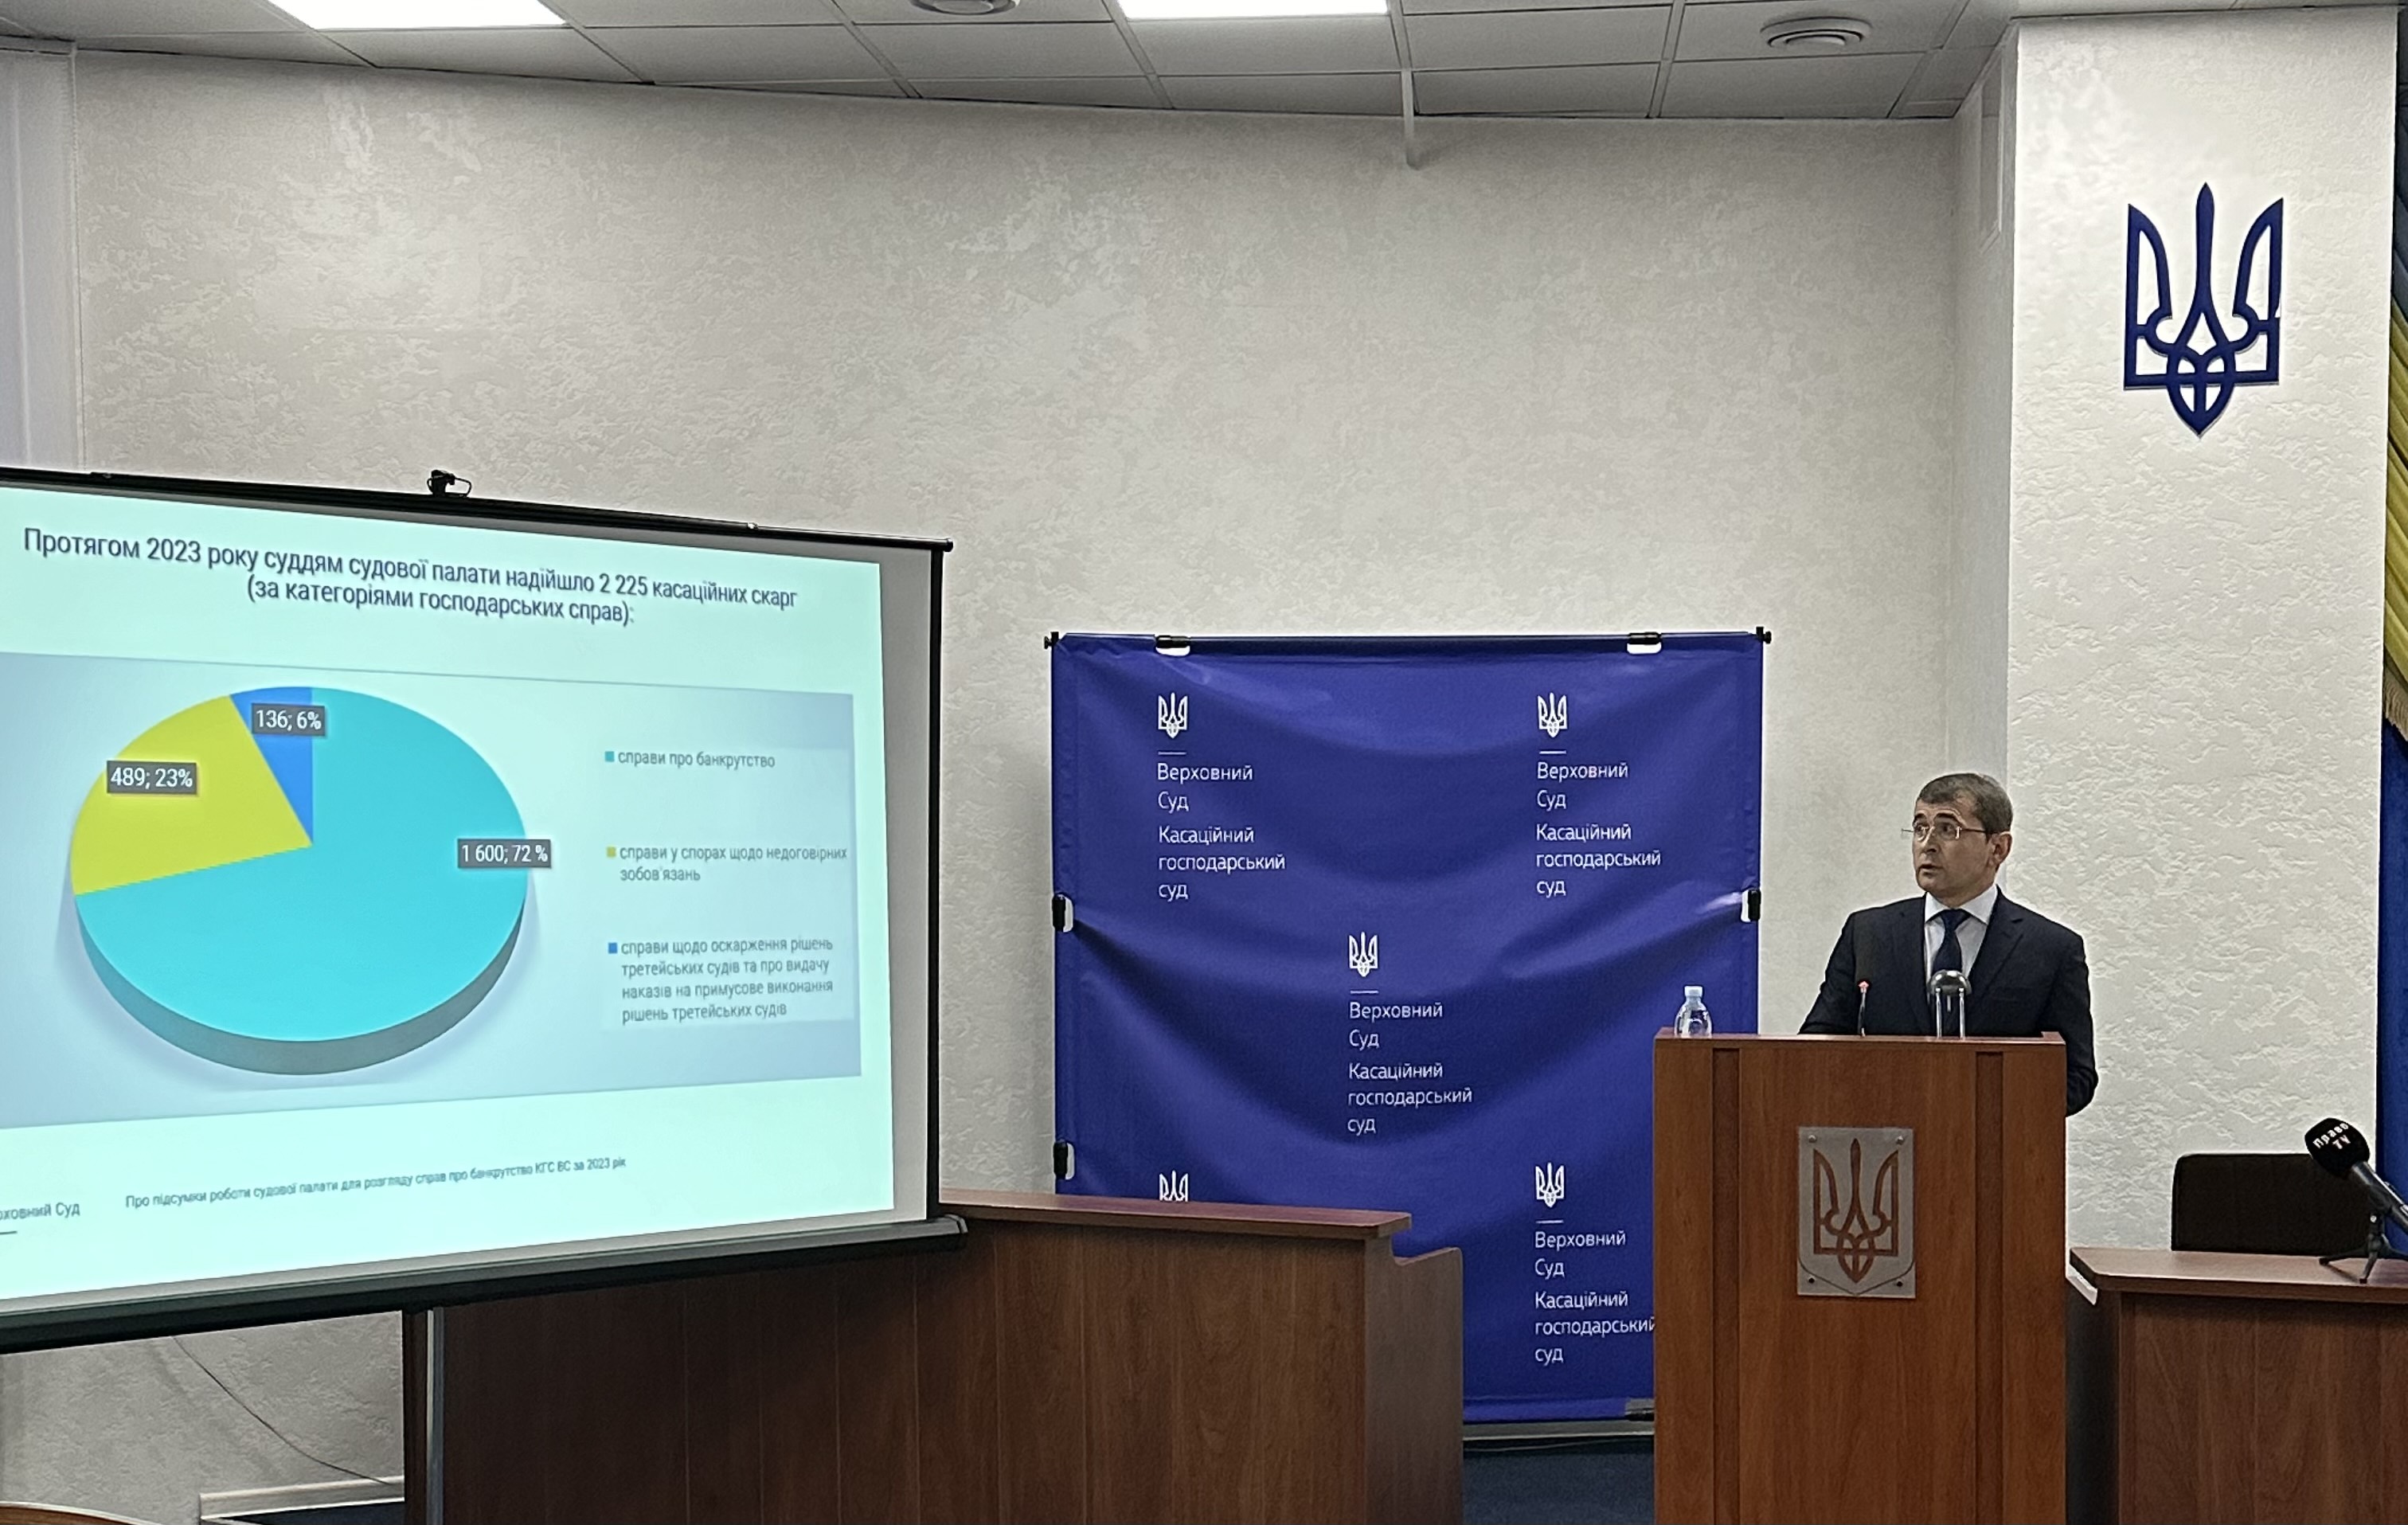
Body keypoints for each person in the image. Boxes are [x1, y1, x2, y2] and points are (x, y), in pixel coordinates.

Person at [1801, 772, 2097, 1115]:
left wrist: (1983, 1112)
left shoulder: (2051, 948)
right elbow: (1817, 1047)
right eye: (1920, 828)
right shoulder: (1868, 933)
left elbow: (2075, 1077)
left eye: (1947, 829)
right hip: (1887, 1136)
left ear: (1998, 848)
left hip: (1997, 1139)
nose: (1927, 844)